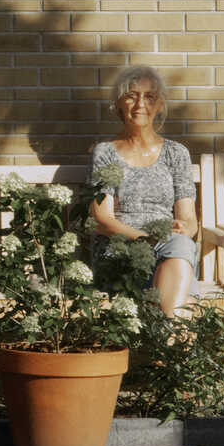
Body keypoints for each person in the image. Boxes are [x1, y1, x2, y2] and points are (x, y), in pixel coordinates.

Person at [89, 65, 199, 317]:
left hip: (169, 247)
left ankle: (164, 350)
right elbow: (102, 219)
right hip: (122, 250)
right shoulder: (106, 153)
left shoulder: (176, 153)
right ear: (118, 104)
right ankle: (170, 351)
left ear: (159, 105)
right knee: (185, 297)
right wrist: (143, 239)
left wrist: (186, 229)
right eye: (131, 96)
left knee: (180, 248)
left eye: (149, 97)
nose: (140, 104)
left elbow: (189, 218)